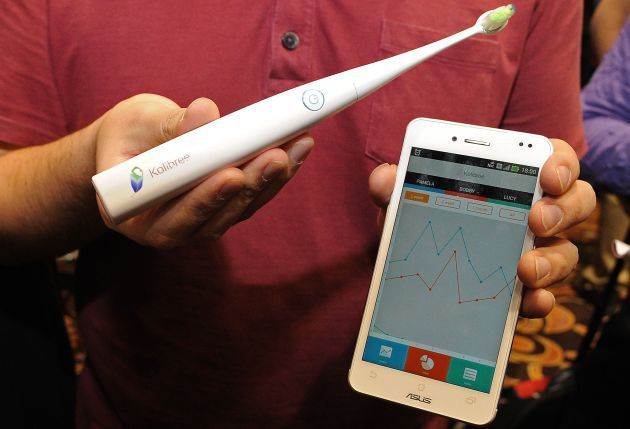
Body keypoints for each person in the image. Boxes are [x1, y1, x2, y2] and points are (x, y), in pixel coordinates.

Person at [0, 1, 595, 427]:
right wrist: (90, 165)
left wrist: (546, 217)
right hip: (129, 408)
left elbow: (545, 177)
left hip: (405, 400)